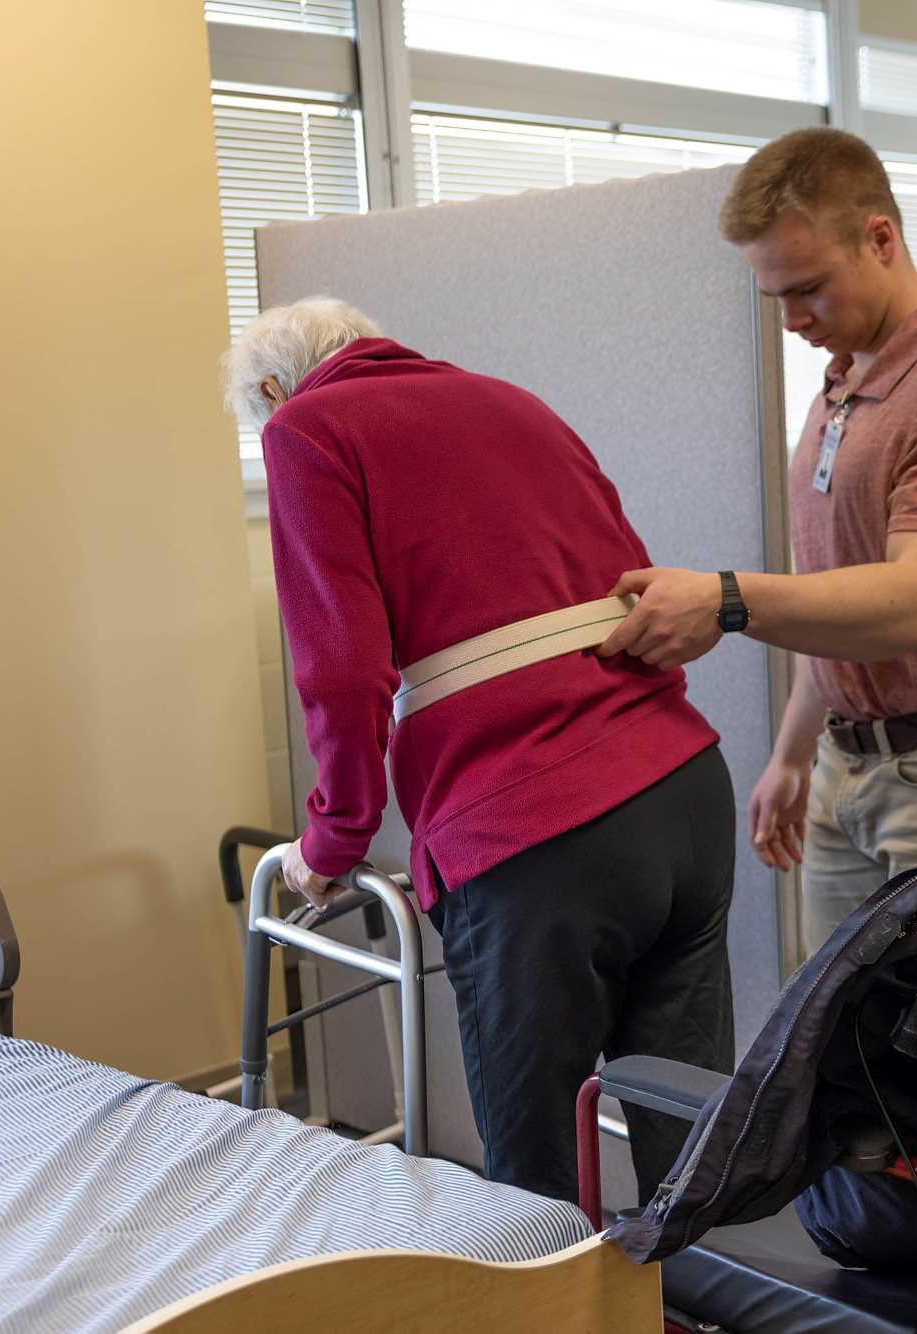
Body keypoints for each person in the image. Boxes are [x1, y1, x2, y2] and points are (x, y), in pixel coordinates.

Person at [223, 299, 735, 1204]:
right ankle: (692, 1279)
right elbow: (632, 583)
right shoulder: (511, 400)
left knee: (534, 1181)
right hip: (680, 790)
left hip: (535, 832)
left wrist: (332, 841)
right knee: (688, 1136)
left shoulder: (306, 429)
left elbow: (342, 671)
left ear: (272, 389)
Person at [595, 127, 917, 954]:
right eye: (775, 296)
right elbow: (839, 594)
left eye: (810, 289)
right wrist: (794, 756)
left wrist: (726, 601)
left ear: (880, 239)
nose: (791, 321)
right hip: (847, 771)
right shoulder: (844, 388)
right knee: (839, 1030)